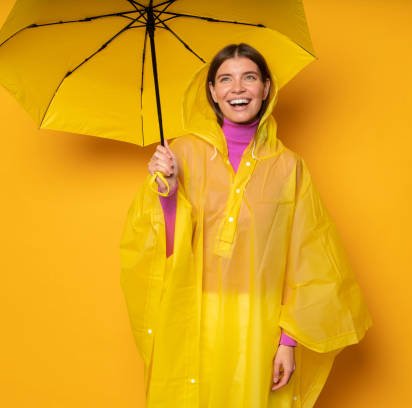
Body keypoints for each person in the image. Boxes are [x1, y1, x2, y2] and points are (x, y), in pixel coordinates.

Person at [120, 43, 373, 408]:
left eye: (248, 77)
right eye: (225, 79)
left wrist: (287, 343)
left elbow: (307, 258)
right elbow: (163, 249)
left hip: (260, 324)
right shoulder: (183, 154)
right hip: (196, 318)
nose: (237, 88)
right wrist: (168, 195)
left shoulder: (289, 167)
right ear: (212, 92)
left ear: (266, 88)